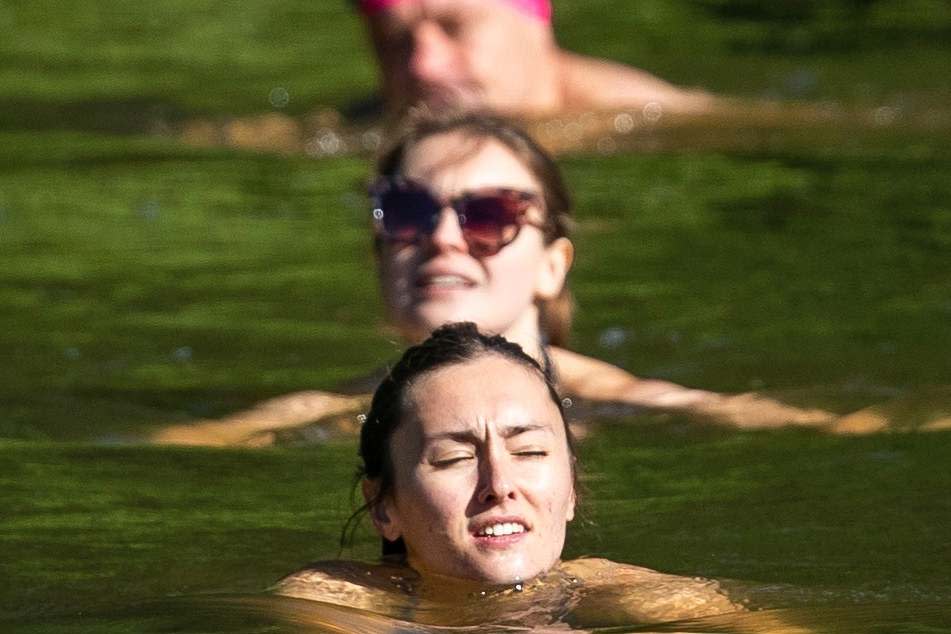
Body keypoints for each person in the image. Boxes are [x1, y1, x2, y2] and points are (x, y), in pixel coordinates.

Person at [152, 111, 839, 447]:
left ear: (552, 264)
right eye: (408, 211)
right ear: (378, 252)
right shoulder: (314, 417)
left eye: (488, 214)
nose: (443, 238)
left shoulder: (652, 408)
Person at [274, 322, 742, 628]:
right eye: (453, 458)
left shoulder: (635, 592)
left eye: (530, 451)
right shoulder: (335, 599)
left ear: (573, 487)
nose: (499, 485)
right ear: (383, 505)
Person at [357, 0, 717, 118]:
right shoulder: (361, 125)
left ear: (535, 21)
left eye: (454, 29)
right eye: (396, 43)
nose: (422, 67)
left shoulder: (660, 119)